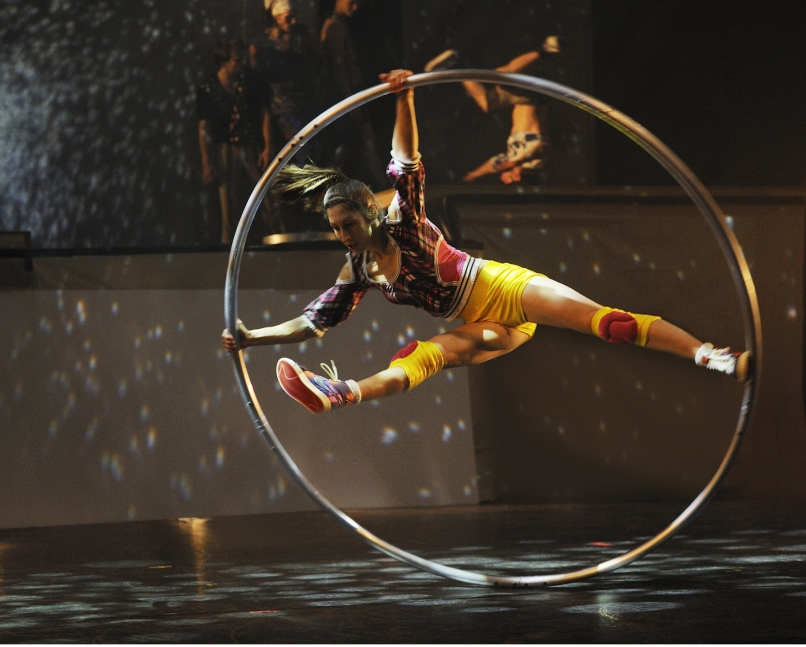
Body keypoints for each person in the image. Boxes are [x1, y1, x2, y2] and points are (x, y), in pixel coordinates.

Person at [221, 69, 749, 415]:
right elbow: (312, 323)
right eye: (335, 229)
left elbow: (405, 160)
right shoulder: (357, 271)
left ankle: (711, 356)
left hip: (506, 289)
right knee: (421, 356)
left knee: (610, 325)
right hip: (488, 326)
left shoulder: (404, 220)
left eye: (349, 226)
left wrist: (404, 98)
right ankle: (342, 393)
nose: (343, 237)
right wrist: (250, 337)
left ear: (370, 213)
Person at [424, 38, 560, 185]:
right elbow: (543, 148)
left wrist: (475, 174)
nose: (502, 177)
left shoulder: (510, 158)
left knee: (487, 103)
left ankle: (456, 65)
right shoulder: (531, 164)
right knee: (502, 74)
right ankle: (545, 50)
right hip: (533, 99)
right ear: (517, 177)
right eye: (508, 178)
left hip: (519, 100)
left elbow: (492, 165)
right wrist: (518, 162)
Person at [196, 37, 273, 244]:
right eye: (237, 60)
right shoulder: (208, 88)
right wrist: (206, 161)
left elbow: (264, 112)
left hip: (251, 144)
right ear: (225, 62)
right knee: (228, 203)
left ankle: (275, 240)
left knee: (267, 199)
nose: (241, 65)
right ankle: (228, 246)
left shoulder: (249, 82)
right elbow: (203, 126)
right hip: (226, 147)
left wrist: (267, 147)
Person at [318, 0, 386, 188]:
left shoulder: (341, 24)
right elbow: (339, 68)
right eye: (351, 2)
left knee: (360, 141)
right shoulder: (334, 26)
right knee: (357, 142)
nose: (355, 7)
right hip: (345, 94)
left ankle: (381, 183)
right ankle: (382, 185)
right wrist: (351, 102)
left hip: (351, 92)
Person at [250, 0, 320, 160]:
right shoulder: (261, 44)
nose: (293, 22)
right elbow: (256, 75)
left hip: (305, 100)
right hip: (278, 105)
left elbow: (317, 61)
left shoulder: (301, 35)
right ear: (277, 17)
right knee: (298, 141)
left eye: (294, 17)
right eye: (288, 18)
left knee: (314, 144)